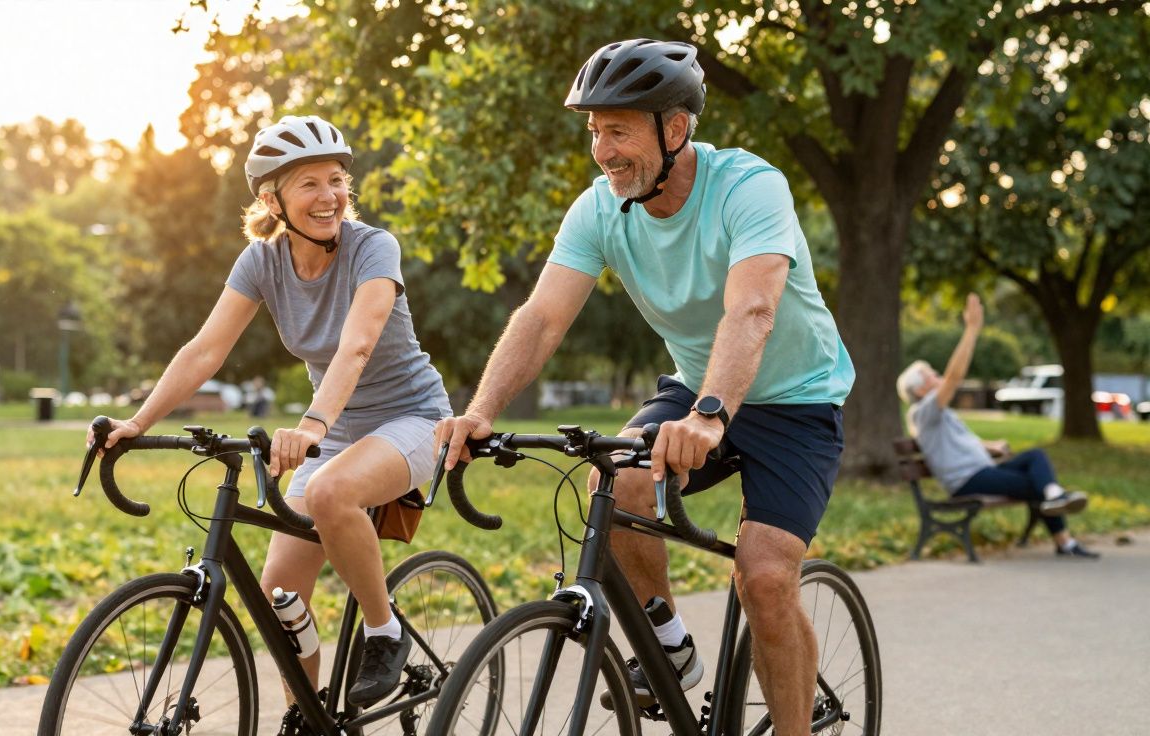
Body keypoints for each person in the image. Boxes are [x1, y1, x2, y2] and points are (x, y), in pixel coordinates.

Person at [435, 39, 854, 735]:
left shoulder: (750, 187)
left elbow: (751, 309)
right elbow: (541, 318)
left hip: (796, 401)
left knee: (766, 580)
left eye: (619, 129)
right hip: (697, 388)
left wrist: (713, 416)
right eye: (594, 130)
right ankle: (668, 643)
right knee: (617, 479)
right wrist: (480, 411)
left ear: (676, 128)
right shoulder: (600, 209)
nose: (603, 150)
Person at [87, 114, 452, 707]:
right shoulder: (261, 262)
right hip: (335, 435)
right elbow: (204, 349)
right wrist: (138, 422)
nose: (330, 195)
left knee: (332, 493)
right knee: (282, 594)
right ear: (272, 197)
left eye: (336, 179)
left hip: (411, 419)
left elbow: (357, 345)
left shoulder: (373, 248)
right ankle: (306, 713)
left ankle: (385, 633)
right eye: (309, 183)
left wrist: (311, 425)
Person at [897, 294, 1098, 559]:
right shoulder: (923, 412)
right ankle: (1064, 537)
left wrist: (990, 446)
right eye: (932, 375)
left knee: (1036, 457)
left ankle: (1054, 496)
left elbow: (961, 441)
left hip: (981, 470)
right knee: (1034, 483)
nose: (939, 377)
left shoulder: (938, 413)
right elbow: (955, 376)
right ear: (921, 389)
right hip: (968, 480)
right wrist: (972, 329)